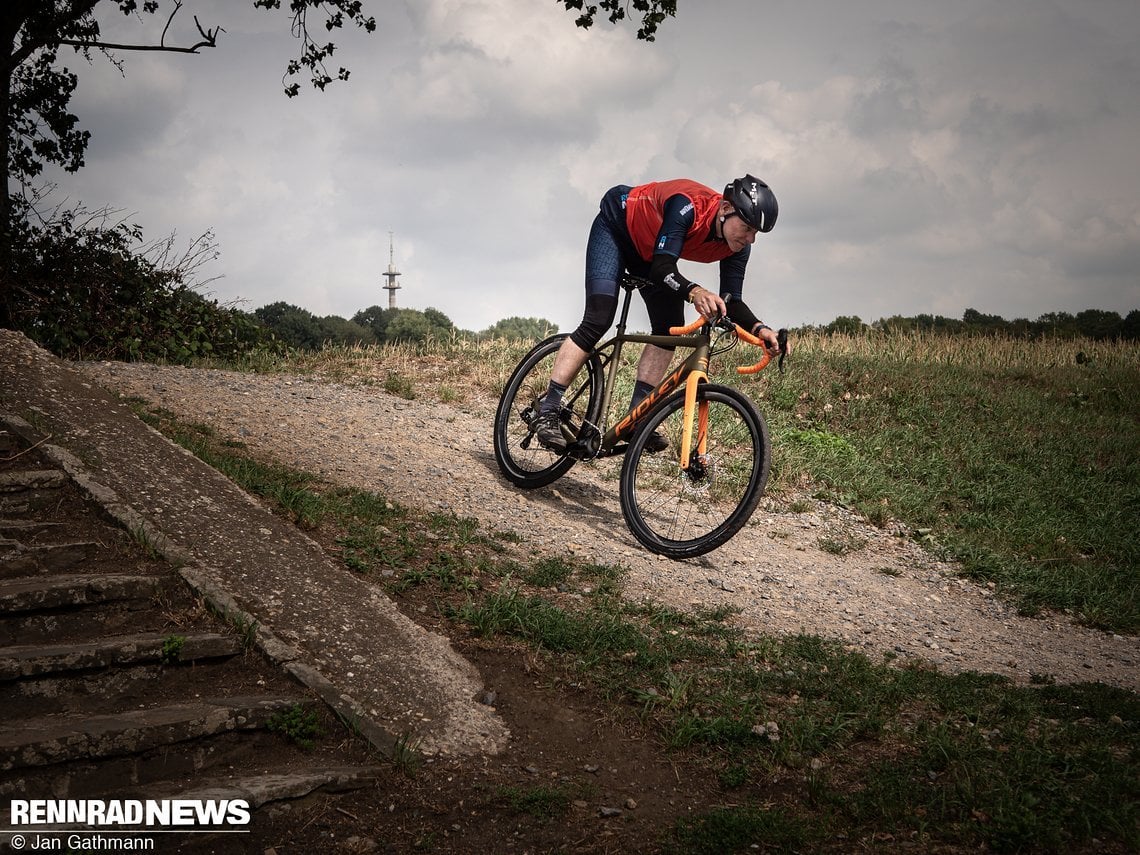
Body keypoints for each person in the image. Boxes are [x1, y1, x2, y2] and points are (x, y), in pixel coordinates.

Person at [533, 174, 782, 453]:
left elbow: (732, 301)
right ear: (725, 209)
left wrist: (761, 330)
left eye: (755, 234)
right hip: (617, 230)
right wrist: (695, 292)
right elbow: (663, 270)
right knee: (598, 318)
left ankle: (636, 419)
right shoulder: (687, 206)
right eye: (747, 228)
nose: (750, 239)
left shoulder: (737, 246)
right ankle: (549, 409)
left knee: (668, 330)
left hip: (651, 255)